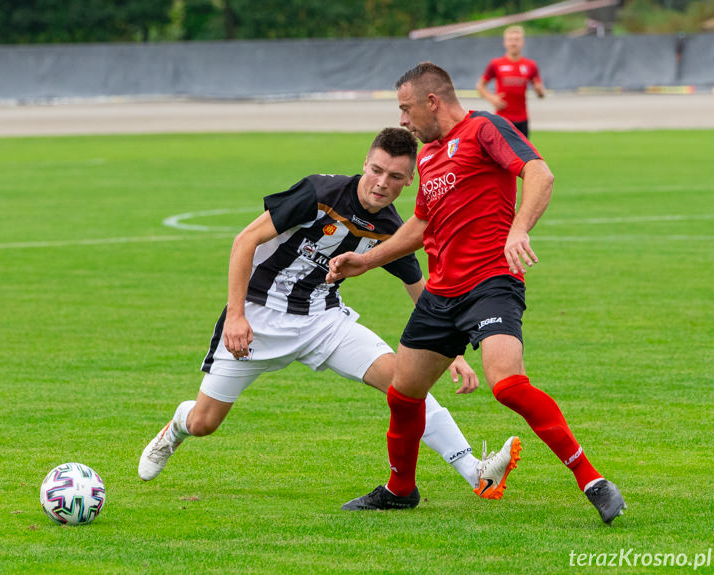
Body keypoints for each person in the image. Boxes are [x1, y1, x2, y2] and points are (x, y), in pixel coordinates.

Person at [139, 128, 521, 499]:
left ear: (409, 182)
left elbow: (421, 289)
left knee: (405, 386)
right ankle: (176, 428)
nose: (381, 183)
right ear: (365, 163)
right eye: (376, 170)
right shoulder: (319, 193)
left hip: (323, 320)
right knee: (204, 423)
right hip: (258, 318)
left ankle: (475, 471)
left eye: (395, 177)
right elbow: (245, 241)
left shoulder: (390, 228)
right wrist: (236, 316)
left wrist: (451, 352)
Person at [327, 64, 626, 525]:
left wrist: (518, 229)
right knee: (403, 395)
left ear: (432, 101)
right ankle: (400, 490)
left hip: (490, 283)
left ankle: (593, 481)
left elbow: (539, 174)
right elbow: (422, 225)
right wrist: (366, 261)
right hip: (441, 293)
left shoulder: (484, 128)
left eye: (406, 109)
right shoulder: (427, 157)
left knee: (507, 384)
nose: (403, 121)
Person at [476, 26, 545, 138]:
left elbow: (541, 93)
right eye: (510, 40)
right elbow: (480, 86)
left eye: (517, 40)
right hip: (502, 119)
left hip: (522, 119)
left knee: (524, 155)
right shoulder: (496, 64)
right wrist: (492, 98)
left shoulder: (530, 65)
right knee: (500, 154)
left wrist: (540, 91)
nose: (513, 43)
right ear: (505, 42)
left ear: (522, 42)